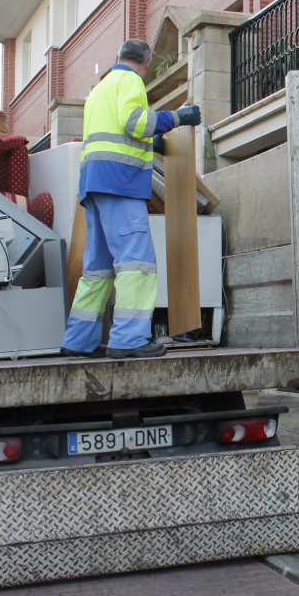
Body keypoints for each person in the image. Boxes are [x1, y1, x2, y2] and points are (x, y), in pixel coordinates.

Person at [60, 39, 201, 360]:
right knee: (137, 263)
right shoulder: (131, 81)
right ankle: (129, 340)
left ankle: (78, 340)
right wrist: (178, 118)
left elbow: (117, 132)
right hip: (120, 184)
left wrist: (151, 143)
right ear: (147, 63)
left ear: (118, 57)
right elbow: (133, 122)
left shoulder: (101, 89)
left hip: (93, 186)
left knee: (97, 269)